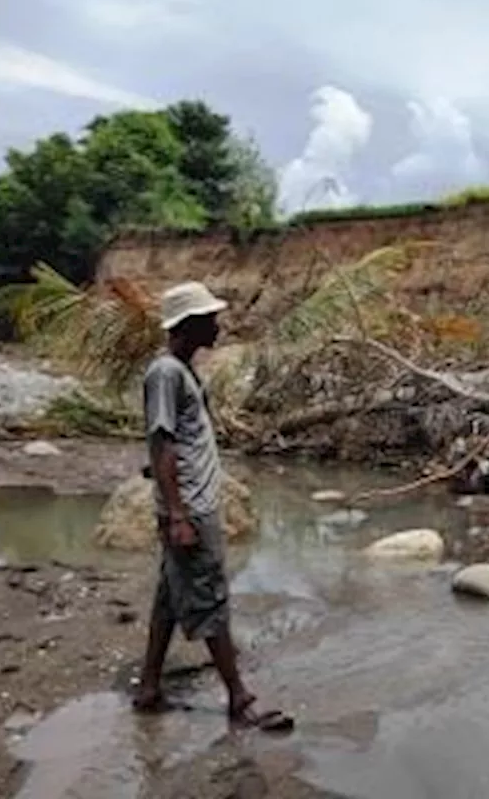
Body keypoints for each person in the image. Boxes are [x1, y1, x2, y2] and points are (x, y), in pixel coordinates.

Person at [131, 280, 293, 732]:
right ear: (188, 324)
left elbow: (172, 442)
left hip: (191, 504)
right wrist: (179, 513)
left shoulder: (181, 370)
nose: (218, 326)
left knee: (169, 600)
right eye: (209, 319)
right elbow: (161, 440)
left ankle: (148, 687)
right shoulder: (165, 374)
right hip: (192, 511)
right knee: (211, 600)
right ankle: (240, 701)